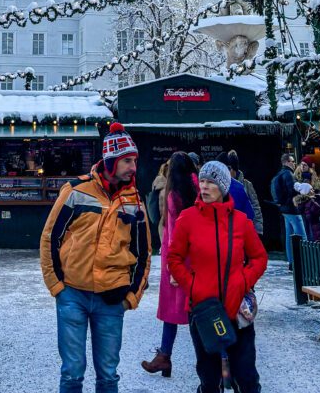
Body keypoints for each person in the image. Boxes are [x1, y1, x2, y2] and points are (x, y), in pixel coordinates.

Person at [41, 123, 151, 393]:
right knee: (71, 373)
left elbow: (144, 252)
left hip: (112, 298)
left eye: (134, 161)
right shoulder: (76, 190)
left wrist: (132, 296)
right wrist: (57, 286)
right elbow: (49, 238)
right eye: (127, 161)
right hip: (72, 295)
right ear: (111, 160)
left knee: (108, 375)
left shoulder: (135, 200)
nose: (133, 167)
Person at [168, 161, 267, 393]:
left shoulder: (241, 221)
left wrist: (242, 281)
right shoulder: (187, 218)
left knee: (246, 376)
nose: (204, 186)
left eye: (211, 181)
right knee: (209, 377)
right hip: (204, 309)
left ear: (223, 186)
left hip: (237, 309)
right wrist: (192, 286)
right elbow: (174, 258)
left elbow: (259, 258)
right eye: (202, 181)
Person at [142, 151, 198, 377]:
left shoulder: (173, 195)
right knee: (198, 307)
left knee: (172, 308)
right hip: (196, 255)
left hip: (175, 255)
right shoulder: (199, 189)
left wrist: (172, 264)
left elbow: (172, 228)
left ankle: (165, 356)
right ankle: (212, 359)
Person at [271, 152, 304, 266]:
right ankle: (301, 263)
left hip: (284, 209)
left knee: (289, 236)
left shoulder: (279, 174)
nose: (294, 163)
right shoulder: (289, 174)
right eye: (292, 161)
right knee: (301, 236)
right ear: (287, 162)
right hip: (292, 209)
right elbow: (293, 190)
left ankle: (291, 262)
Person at [226, 151, 263, 237]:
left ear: (234, 169)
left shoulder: (246, 184)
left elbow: (255, 207)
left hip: (246, 228)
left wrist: (258, 230)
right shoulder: (222, 185)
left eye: (229, 168)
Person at [215, 151, 256, 223]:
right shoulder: (238, 187)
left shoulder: (243, 186)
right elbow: (250, 214)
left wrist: (258, 230)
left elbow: (255, 208)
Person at [293, 172, 320, 242]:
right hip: (310, 231)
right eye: (311, 189)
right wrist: (309, 201)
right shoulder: (302, 203)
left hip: (319, 230)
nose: (313, 190)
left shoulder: (319, 197)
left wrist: (311, 201)